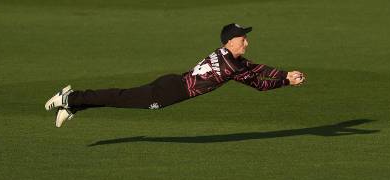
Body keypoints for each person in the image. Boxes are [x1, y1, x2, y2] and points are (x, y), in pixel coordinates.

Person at [45, 23, 305, 127]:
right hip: (169, 91)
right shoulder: (230, 67)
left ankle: (75, 105)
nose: (246, 42)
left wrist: (284, 76)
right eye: (242, 39)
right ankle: (70, 98)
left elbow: (255, 68)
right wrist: (285, 80)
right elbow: (258, 82)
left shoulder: (227, 57)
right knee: (120, 98)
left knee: (122, 97)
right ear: (230, 42)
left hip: (171, 84)